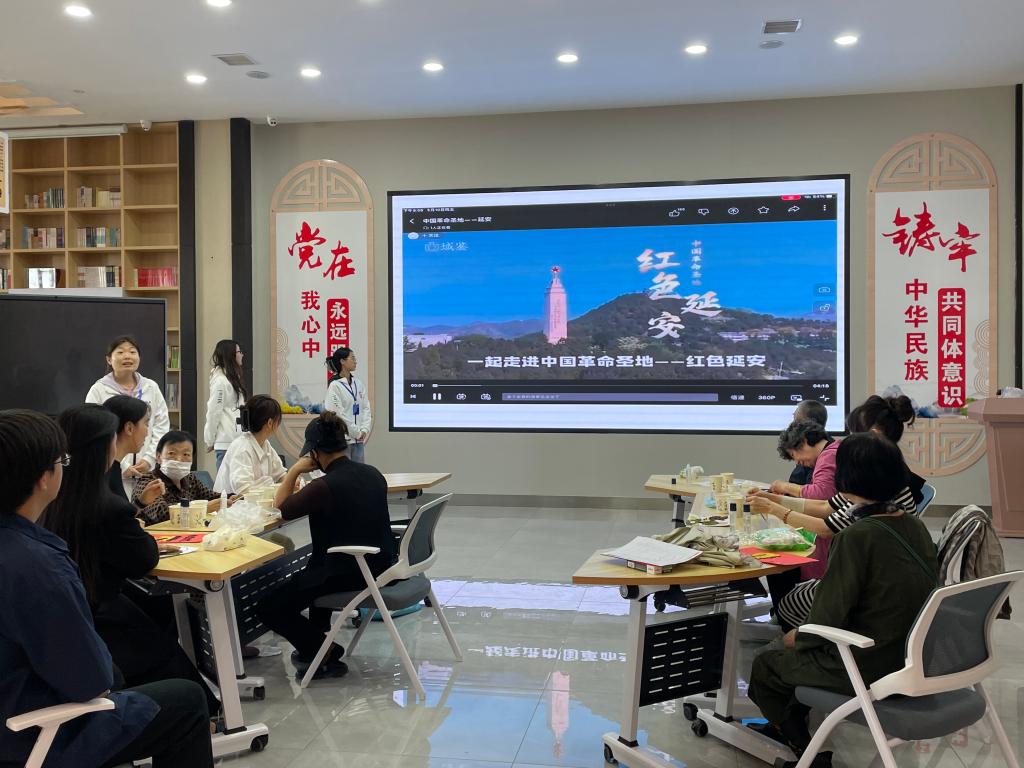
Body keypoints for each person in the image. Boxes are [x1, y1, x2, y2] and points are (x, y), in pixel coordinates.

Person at [0, 409, 213, 768]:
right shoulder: (39, 566)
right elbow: (90, 682)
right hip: (31, 730)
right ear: (43, 478)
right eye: (60, 461)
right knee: (187, 700)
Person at [748, 433, 938, 767]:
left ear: (849, 478)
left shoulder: (856, 536)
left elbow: (827, 616)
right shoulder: (914, 525)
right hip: (911, 654)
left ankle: (806, 749)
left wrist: (797, 636)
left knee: (766, 664)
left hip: (868, 661)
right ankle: (798, 724)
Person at [42, 404, 221, 720]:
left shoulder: (54, 497)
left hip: (79, 607)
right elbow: (144, 558)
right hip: (102, 610)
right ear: (107, 444)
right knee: (162, 640)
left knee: (160, 610)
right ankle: (201, 716)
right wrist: (135, 523)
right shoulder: (105, 502)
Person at [256, 411, 396, 680]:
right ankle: (318, 645)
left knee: (269, 606)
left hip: (346, 572)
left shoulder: (323, 486)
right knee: (312, 571)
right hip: (381, 566)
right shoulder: (373, 474)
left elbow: (280, 508)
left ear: (314, 452)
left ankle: (324, 650)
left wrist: (294, 470)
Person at [85, 335, 170, 482]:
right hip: (111, 468)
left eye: (132, 352)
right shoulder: (98, 390)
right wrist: (121, 465)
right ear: (109, 359)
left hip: (146, 469)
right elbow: (93, 429)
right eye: (120, 352)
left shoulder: (151, 387)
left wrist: (149, 458)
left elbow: (161, 424)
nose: (127, 356)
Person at [133, 431, 235, 526]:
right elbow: (162, 514)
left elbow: (211, 496)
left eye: (186, 454)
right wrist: (204, 509)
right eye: (172, 453)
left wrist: (231, 497)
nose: (179, 459)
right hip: (153, 535)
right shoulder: (148, 480)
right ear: (158, 457)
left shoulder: (189, 478)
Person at [213, 394, 287, 495]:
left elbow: (280, 475)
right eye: (278, 420)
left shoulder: (265, 444)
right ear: (270, 423)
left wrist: (292, 481)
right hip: (231, 503)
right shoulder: (242, 447)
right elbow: (243, 490)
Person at [104, 394, 165, 508]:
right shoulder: (107, 473)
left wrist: (141, 503)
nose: (147, 433)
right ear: (129, 428)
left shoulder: (109, 467)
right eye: (146, 424)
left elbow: (119, 514)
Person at [204, 339, 246, 470]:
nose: (242, 354)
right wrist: (209, 440)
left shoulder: (232, 378)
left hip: (236, 440)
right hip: (226, 442)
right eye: (239, 352)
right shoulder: (220, 381)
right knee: (224, 482)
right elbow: (213, 412)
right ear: (231, 355)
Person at [324, 347, 372, 463]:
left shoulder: (358, 384)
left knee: (359, 472)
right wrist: (355, 432)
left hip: (359, 440)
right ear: (342, 361)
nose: (356, 361)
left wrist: (364, 429)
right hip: (343, 441)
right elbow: (337, 414)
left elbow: (366, 408)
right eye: (353, 358)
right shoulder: (335, 386)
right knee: (344, 472)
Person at [788, 400, 828, 486]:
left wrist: (785, 487)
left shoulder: (829, 455)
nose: (797, 461)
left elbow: (818, 491)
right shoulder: (828, 445)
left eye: (795, 419)